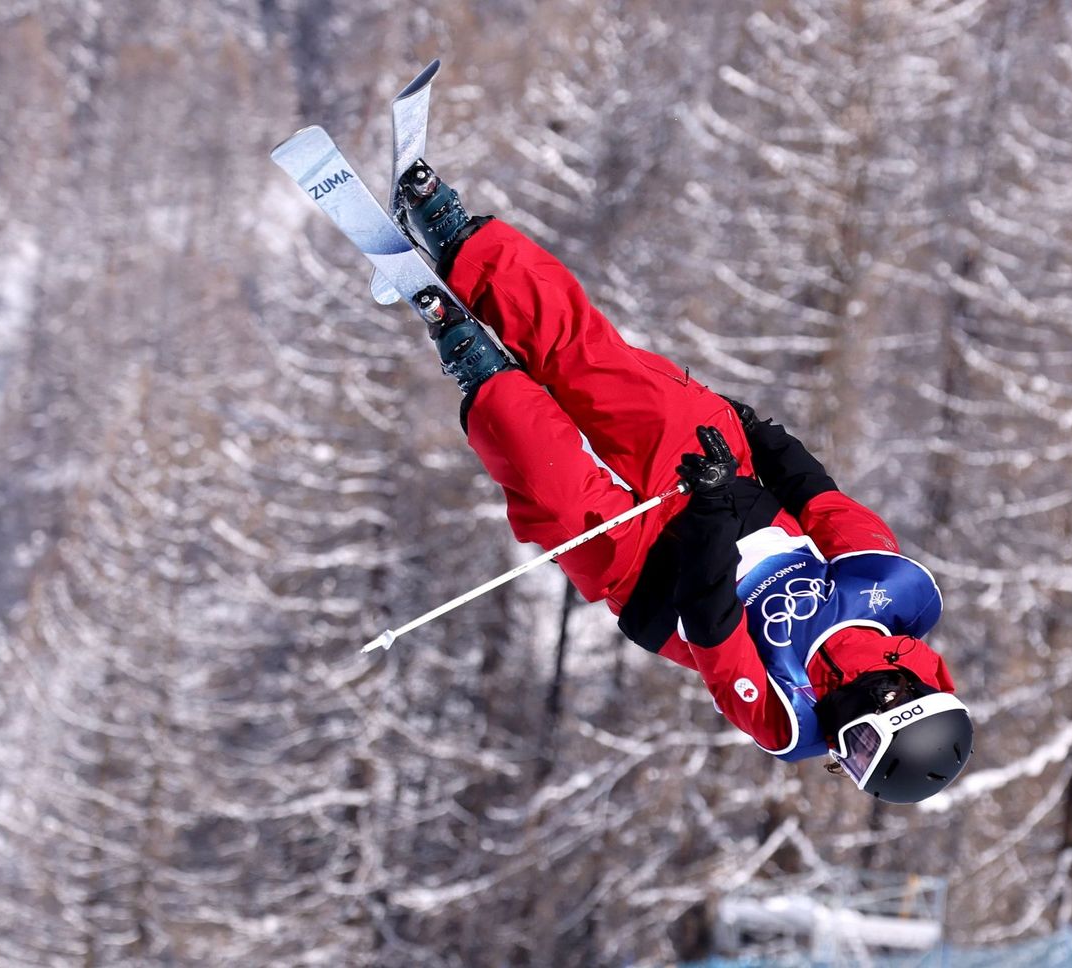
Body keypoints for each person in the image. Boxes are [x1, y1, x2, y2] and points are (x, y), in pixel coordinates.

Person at [392, 160, 974, 803]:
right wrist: (751, 431)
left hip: (655, 580)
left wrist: (711, 513)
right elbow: (817, 495)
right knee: (602, 372)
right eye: (865, 743)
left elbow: (710, 617)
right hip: (734, 494)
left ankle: (474, 360)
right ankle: (458, 237)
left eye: (855, 763)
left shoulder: (787, 721)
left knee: (551, 480)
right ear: (900, 699)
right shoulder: (894, 594)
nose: (843, 750)